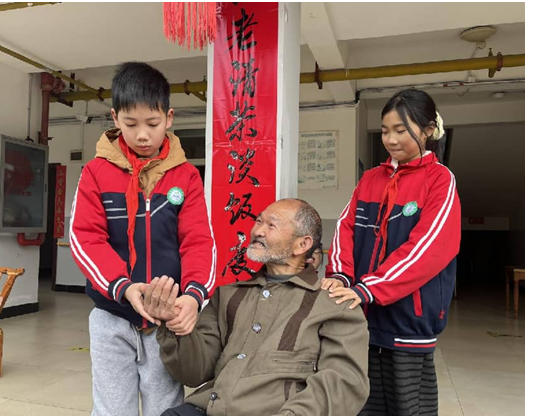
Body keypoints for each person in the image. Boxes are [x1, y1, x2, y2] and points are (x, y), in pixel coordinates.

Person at [70, 61, 217, 416]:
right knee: (111, 410)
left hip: (166, 320)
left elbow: (199, 241)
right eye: (130, 124)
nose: (142, 136)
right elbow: (85, 237)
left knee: (165, 408)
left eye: (152, 124)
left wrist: (194, 297)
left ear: (169, 118)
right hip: (112, 314)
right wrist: (123, 287)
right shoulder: (95, 173)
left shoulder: (186, 177)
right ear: (114, 118)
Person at [143, 198, 370, 416]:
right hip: (206, 409)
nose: (258, 231)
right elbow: (194, 373)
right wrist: (174, 325)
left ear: (302, 244)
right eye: (258, 221)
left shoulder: (334, 304)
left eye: (271, 225)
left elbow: (344, 382)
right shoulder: (228, 295)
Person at [322, 89, 461, 416]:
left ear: (428, 130)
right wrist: (340, 276)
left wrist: (369, 288)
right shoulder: (371, 179)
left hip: (408, 322)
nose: (391, 139)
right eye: (385, 131)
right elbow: (345, 228)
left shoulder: (440, 179)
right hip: (361, 316)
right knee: (361, 401)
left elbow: (428, 248)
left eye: (401, 130)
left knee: (408, 406)